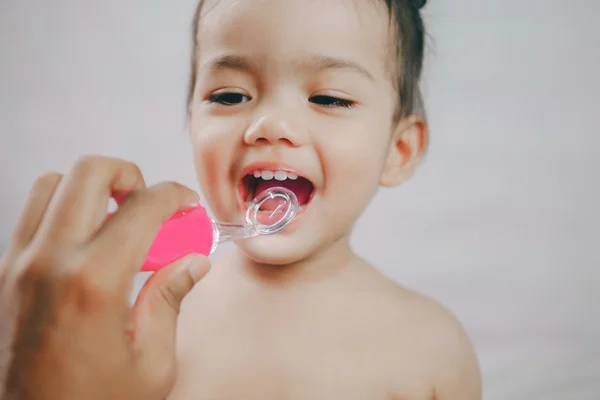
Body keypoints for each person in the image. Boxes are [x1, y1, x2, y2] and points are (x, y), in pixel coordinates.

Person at [1, 0, 483, 398]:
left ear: (398, 150)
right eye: (230, 95)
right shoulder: (138, 322)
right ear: (191, 121)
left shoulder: (432, 347)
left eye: (330, 98)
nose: (270, 124)